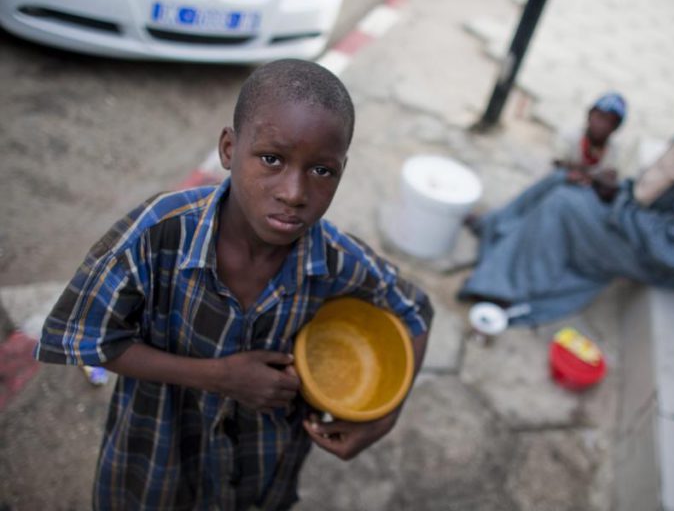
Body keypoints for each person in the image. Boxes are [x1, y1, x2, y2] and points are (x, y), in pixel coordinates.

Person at [35, 59, 433, 510]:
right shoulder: (157, 234)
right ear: (228, 148)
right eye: (271, 159)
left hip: (260, 476)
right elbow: (89, 336)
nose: (294, 192)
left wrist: (383, 419)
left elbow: (416, 311)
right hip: (154, 464)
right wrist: (219, 377)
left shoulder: (338, 260)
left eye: (322, 170)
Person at [458, 59, 674, 326]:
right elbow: (650, 191)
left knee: (563, 204)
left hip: (654, 259)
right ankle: (496, 227)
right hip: (636, 222)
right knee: (564, 179)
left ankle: (506, 290)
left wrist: (620, 204)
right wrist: (616, 191)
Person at [552, 91, 627, 178]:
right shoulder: (569, 137)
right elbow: (555, 165)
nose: (602, 125)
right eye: (600, 117)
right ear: (589, 115)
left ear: (615, 127)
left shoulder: (615, 153)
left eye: (610, 122)